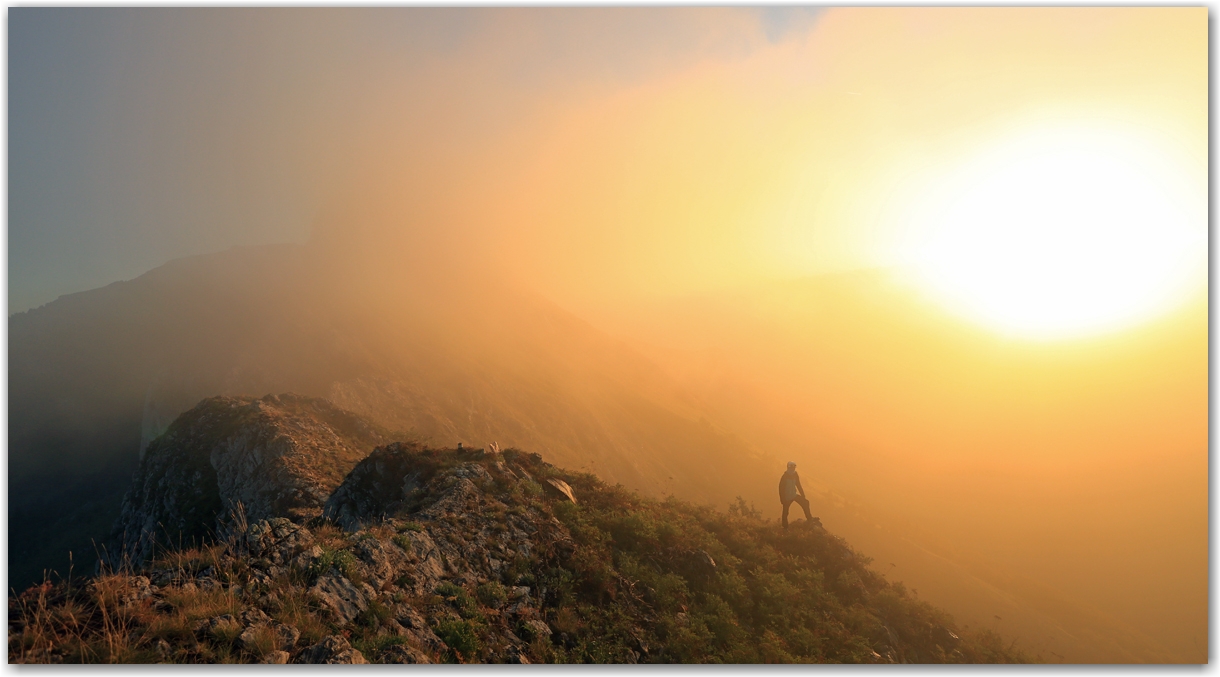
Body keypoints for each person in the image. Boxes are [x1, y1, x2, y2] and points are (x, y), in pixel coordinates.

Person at [779, 461, 814, 529]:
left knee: (805, 503)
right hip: (787, 497)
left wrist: (803, 495)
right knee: (785, 512)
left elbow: (798, 485)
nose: (793, 469)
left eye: (794, 467)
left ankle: (809, 518)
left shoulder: (795, 475)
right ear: (789, 467)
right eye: (792, 467)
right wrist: (782, 499)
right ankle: (785, 526)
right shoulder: (784, 476)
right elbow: (781, 489)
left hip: (793, 495)